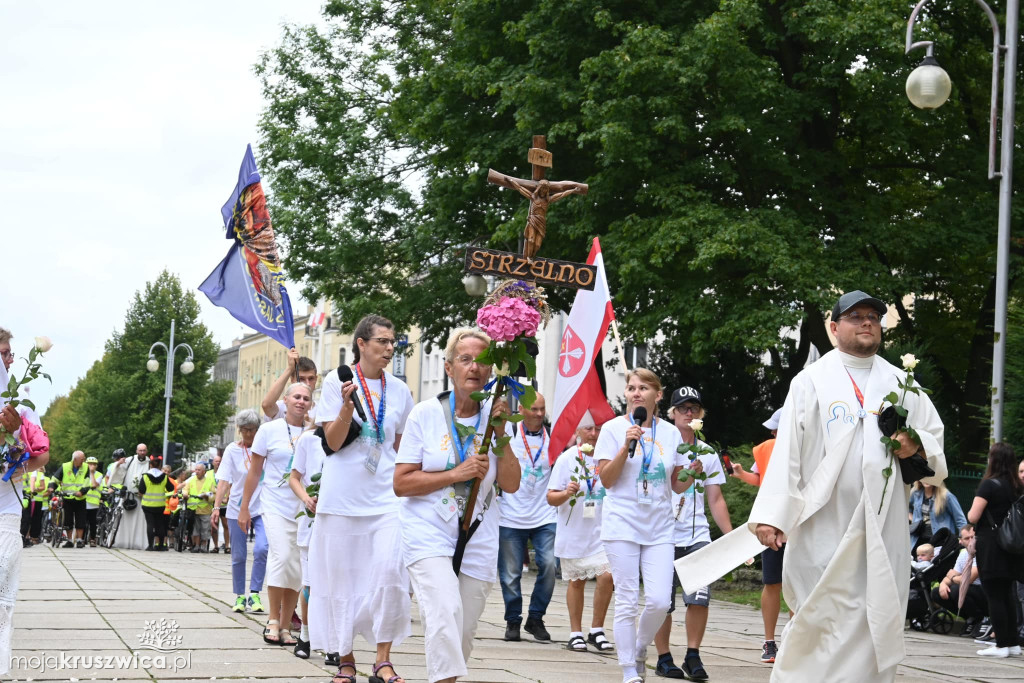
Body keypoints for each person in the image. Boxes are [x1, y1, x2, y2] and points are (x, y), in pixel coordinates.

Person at [749, 290, 945, 682]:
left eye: (873, 315)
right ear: (835, 327)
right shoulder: (811, 382)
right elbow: (788, 451)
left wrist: (914, 444)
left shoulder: (901, 383)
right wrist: (772, 516)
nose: (867, 322)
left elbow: (934, 450)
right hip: (825, 523)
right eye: (856, 316)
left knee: (874, 615)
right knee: (821, 613)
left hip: (882, 524)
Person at [394, 327, 520, 683]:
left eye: (483, 361)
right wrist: (456, 473)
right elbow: (401, 483)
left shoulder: (495, 417)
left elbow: (511, 483)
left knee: (463, 629)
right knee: (444, 612)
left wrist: (500, 434)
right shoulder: (425, 414)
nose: (474, 368)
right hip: (428, 528)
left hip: (478, 531)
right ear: (449, 368)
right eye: (465, 359)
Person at [307, 314, 415, 683]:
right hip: (341, 499)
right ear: (361, 344)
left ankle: (382, 659)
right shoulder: (337, 382)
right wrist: (346, 409)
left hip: (385, 499)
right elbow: (333, 443)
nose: (390, 348)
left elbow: (402, 447)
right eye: (383, 341)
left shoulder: (400, 390)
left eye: (393, 342)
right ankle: (346, 660)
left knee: (389, 572)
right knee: (341, 581)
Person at [594, 368, 687, 683]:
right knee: (628, 598)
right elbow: (606, 479)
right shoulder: (612, 429)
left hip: (659, 527)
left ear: (657, 396)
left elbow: (677, 486)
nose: (635, 393)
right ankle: (628, 670)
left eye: (643, 388)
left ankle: (637, 646)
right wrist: (625, 446)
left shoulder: (672, 433)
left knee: (661, 600)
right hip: (622, 524)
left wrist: (692, 472)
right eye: (631, 388)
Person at [653, 387, 732, 680]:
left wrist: (729, 537)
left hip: (697, 536)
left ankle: (693, 655)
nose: (689, 413)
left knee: (699, 598)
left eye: (694, 408)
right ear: (671, 413)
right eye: (683, 408)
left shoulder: (708, 453)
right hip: (663, 535)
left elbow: (716, 499)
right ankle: (663, 657)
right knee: (663, 601)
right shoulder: (661, 447)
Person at [239, 382, 311, 648]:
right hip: (274, 504)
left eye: (306, 398)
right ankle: (272, 618)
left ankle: (285, 625)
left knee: (296, 564)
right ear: (286, 400)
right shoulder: (269, 430)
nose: (301, 401)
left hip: (303, 507)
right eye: (296, 397)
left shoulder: (314, 432)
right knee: (281, 555)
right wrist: (245, 507)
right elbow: (255, 472)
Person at [546, 418, 614, 653]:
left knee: (607, 576)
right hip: (575, 531)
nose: (593, 434)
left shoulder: (607, 457)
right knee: (577, 581)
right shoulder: (567, 459)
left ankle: (597, 629)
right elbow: (551, 497)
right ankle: (575, 633)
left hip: (602, 531)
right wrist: (567, 492)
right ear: (577, 431)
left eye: (597, 429)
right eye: (588, 428)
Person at [0, 360, 50, 679]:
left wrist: (20, 465)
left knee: (3, 573)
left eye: (6, 352)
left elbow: (41, 455)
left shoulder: (22, 410)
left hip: (7, 507)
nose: (4, 359)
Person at [728, 407, 787, 663]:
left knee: (800, 583)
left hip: (799, 524)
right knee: (772, 582)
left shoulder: (810, 449)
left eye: (776, 427)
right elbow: (760, 478)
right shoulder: (767, 448)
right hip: (771, 522)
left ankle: (795, 641)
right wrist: (741, 474)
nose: (772, 431)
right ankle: (770, 641)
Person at [498, 391, 556, 643]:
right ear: (521, 409)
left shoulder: (553, 436)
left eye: (542, 409)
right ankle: (513, 620)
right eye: (534, 409)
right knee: (511, 573)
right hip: (511, 514)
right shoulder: (509, 434)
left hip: (544, 514)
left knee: (550, 565)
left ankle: (536, 617)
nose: (540, 414)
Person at [966, 442, 1023, 657]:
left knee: (994, 595)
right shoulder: (1017, 486)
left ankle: (1001, 645)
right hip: (1011, 545)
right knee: (1007, 593)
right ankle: (1013, 643)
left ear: (993, 460)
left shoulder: (989, 485)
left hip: (991, 545)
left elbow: (973, 516)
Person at [212, 409, 267, 615]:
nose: (248, 434)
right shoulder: (232, 450)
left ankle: (254, 593)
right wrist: (217, 506)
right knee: (238, 555)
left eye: (252, 430)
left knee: (262, 548)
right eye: (244, 430)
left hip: (261, 506)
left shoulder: (264, 447)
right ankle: (239, 595)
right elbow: (224, 479)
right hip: (236, 507)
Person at [931, 525, 986, 631]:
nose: (971, 540)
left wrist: (952, 578)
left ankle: (980, 617)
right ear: (961, 541)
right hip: (971, 592)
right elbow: (952, 575)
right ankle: (971, 618)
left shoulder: (981, 552)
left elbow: (968, 579)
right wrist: (943, 584)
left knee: (956, 589)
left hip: (985, 593)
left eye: (973, 537)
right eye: (967, 538)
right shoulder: (963, 554)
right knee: (936, 593)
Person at [110, 444, 152, 550]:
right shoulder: (130, 460)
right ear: (137, 451)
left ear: (146, 451)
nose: (142, 452)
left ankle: (139, 542)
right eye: (140, 450)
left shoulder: (149, 463)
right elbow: (119, 471)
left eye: (144, 450)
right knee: (124, 519)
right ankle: (123, 540)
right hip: (129, 497)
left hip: (142, 497)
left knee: (141, 521)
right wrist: (118, 464)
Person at [909, 481, 967, 554]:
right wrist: (915, 520)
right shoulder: (915, 494)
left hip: (940, 540)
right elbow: (907, 508)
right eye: (925, 477)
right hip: (918, 539)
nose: (927, 480)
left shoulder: (946, 496)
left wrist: (963, 538)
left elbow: (960, 519)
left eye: (930, 478)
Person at [262, 347, 318, 421]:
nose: (307, 383)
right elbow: (267, 405)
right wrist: (290, 369)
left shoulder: (323, 409)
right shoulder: (282, 407)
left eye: (311, 378)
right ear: (292, 380)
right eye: (301, 379)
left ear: (316, 379)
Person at [52, 450, 89, 548]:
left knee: (81, 520)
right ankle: (69, 540)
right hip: (67, 498)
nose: (83, 461)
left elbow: (87, 481)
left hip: (80, 498)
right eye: (82, 459)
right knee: (68, 520)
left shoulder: (85, 467)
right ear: (75, 459)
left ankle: (79, 540)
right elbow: (55, 478)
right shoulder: (65, 466)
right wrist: (52, 487)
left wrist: (82, 491)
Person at [138, 456, 174, 551]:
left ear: (150, 464)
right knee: (160, 525)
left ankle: (150, 545)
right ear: (159, 465)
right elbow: (171, 488)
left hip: (147, 504)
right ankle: (161, 545)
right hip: (160, 505)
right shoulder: (164, 477)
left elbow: (141, 490)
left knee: (150, 525)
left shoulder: (145, 476)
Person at [186, 462, 216, 552]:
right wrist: (185, 494)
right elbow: (185, 489)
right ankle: (196, 545)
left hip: (205, 509)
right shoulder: (191, 480)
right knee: (196, 529)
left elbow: (213, 494)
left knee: (205, 528)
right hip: (194, 509)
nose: (197, 471)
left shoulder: (209, 481)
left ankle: (204, 545)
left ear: (204, 472)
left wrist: (206, 496)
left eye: (199, 470)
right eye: (196, 470)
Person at [83, 456, 104, 547]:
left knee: (92, 522)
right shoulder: (82, 473)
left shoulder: (99, 474)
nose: (91, 466)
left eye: (94, 464)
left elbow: (94, 484)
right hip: (83, 500)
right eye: (89, 464)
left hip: (93, 502)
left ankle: (92, 539)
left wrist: (91, 473)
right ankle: (82, 538)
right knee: (83, 521)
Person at [211, 453, 230, 553]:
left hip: (225, 504)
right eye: (216, 461)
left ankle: (227, 546)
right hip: (214, 503)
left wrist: (227, 498)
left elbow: (230, 486)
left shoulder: (227, 472)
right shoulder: (209, 474)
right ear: (213, 463)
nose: (218, 463)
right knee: (214, 526)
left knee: (226, 525)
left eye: (220, 461)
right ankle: (215, 546)